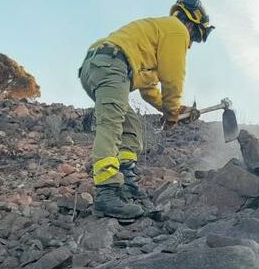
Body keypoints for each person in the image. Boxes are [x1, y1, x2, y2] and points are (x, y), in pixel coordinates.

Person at [79, 0, 214, 219]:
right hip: (112, 64)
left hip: (101, 66)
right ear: (191, 24)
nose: (192, 43)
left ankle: (126, 185)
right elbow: (173, 78)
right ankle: (107, 193)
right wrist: (171, 114)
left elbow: (149, 91)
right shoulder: (177, 30)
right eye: (196, 37)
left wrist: (177, 110)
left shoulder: (154, 39)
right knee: (111, 126)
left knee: (131, 129)